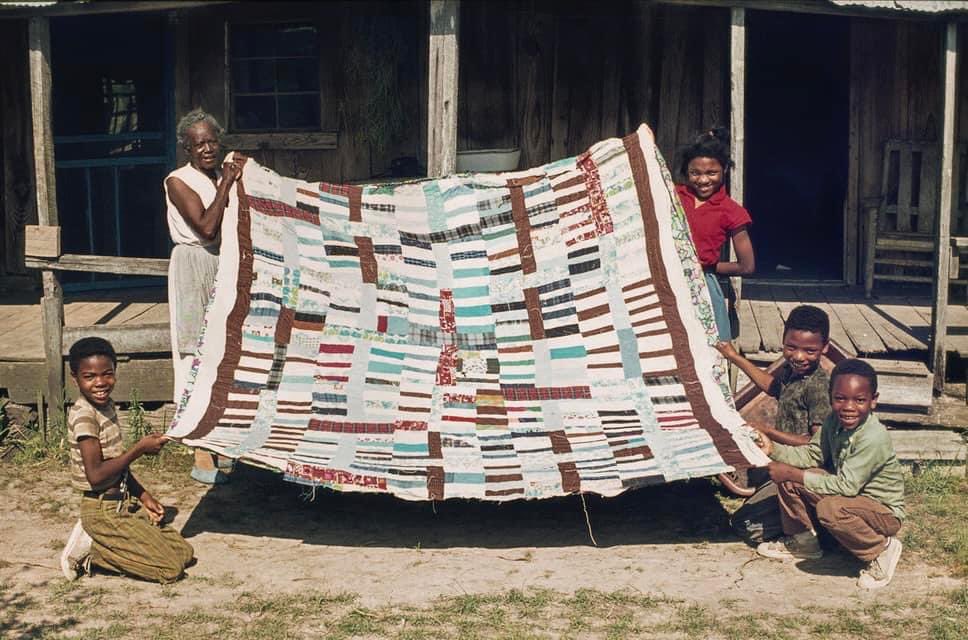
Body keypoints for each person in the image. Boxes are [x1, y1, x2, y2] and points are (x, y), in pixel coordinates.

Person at [755, 359, 905, 590]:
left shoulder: (873, 437)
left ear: (873, 400)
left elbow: (847, 487)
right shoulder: (832, 422)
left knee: (829, 508)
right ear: (830, 397)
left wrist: (794, 474)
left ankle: (881, 549)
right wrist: (773, 450)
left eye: (860, 400)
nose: (849, 407)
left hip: (881, 513)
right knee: (790, 479)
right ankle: (804, 541)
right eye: (840, 398)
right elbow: (812, 454)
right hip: (853, 502)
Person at [60, 337, 195, 583]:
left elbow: (115, 465)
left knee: (185, 553)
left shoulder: (106, 407)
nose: (100, 383)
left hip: (122, 503)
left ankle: (111, 539)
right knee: (170, 569)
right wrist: (139, 449)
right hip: (102, 510)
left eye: (107, 374)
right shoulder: (84, 416)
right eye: (89, 377)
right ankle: (92, 553)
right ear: (75, 378)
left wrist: (144, 496)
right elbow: (97, 475)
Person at [165, 108, 240, 484]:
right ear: (186, 148)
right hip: (195, 264)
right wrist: (227, 184)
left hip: (220, 265)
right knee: (196, 353)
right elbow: (208, 229)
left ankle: (220, 442)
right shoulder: (179, 181)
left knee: (221, 351)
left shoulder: (216, 176)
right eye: (199, 144)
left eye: (212, 141)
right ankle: (200, 453)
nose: (208, 149)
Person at [718, 305, 833, 544]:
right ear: (783, 341)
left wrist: (768, 431)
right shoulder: (793, 373)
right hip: (783, 462)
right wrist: (734, 357)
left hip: (805, 469)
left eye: (810, 351)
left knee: (747, 527)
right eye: (791, 348)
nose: (799, 356)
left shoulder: (818, 386)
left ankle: (817, 528)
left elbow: (816, 444)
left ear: (825, 348)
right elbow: (772, 386)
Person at [676, 128, 755, 341]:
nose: (703, 180)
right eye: (695, 173)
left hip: (704, 287)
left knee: (708, 347)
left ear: (725, 171)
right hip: (667, 281)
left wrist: (706, 266)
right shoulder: (672, 197)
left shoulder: (731, 211)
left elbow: (747, 266)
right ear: (686, 172)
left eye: (712, 173)